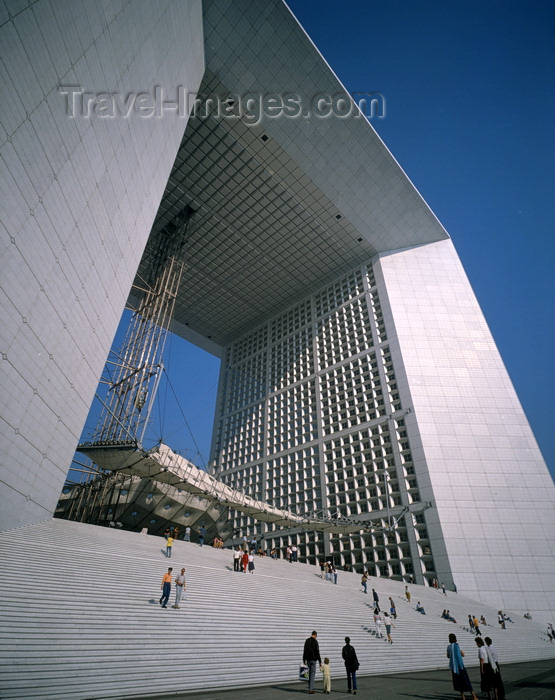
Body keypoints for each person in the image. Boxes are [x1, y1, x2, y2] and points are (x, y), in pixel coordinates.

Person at [446, 633, 478, 700]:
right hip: (460, 666)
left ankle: (463, 696)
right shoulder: (457, 646)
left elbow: (448, 656)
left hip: (454, 667)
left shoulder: (448, 647)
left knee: (458, 682)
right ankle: (474, 696)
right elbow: (463, 655)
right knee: (466, 680)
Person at [303, 630, 322, 694]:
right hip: (313, 660)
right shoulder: (315, 642)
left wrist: (304, 659)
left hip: (308, 659)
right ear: (315, 635)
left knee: (308, 673)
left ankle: (309, 687)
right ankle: (311, 689)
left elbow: (305, 650)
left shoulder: (307, 641)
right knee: (312, 674)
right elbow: (317, 651)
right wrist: (320, 661)